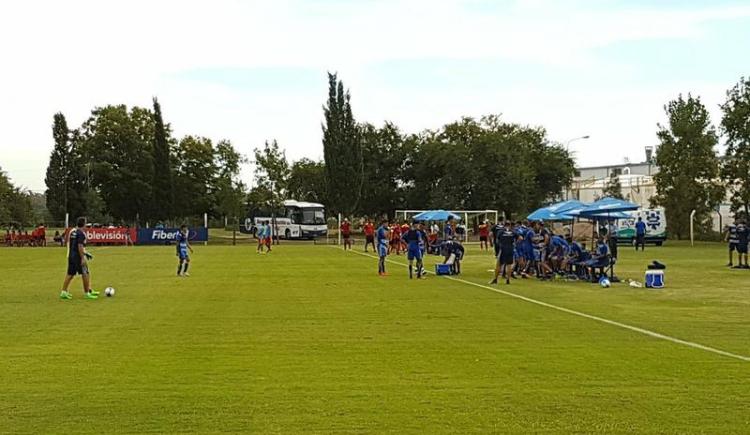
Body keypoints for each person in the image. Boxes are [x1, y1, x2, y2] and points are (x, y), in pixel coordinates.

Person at [59, 217, 98, 300]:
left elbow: (74, 245)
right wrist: (82, 258)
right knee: (85, 273)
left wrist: (86, 253)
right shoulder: (81, 233)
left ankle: (63, 292)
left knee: (70, 274)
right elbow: (79, 246)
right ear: (84, 224)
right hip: (77, 257)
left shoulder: (74, 231)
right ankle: (87, 293)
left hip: (71, 256)